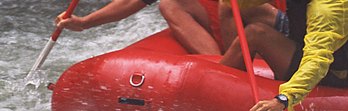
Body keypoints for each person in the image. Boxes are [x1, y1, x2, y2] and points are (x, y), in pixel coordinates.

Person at [220, 0, 348, 111]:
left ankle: (219, 95)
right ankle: (232, 76)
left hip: (332, 69)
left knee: (255, 34)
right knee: (229, 6)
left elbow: (317, 62)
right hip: (303, 31)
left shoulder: (329, 10)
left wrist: (284, 99)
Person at [55, 0, 281, 54]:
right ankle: (218, 70)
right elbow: (134, 1)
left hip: (274, 30)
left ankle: (232, 68)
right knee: (170, 3)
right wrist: (84, 23)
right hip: (229, 31)